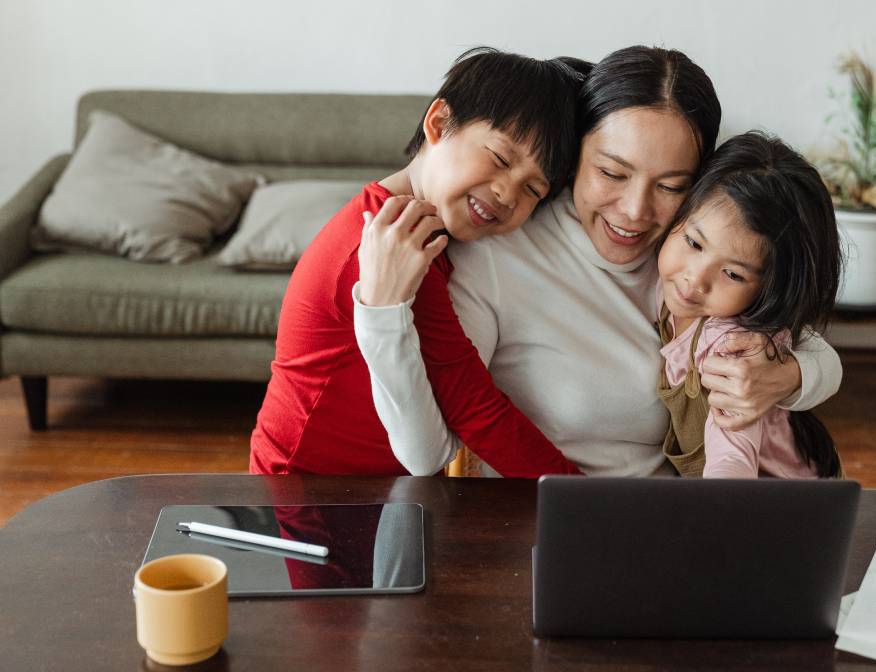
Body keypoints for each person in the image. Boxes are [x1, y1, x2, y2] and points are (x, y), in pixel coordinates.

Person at [354, 46, 844, 477]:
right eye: (611, 173)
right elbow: (429, 451)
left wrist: (788, 376)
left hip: (675, 525)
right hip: (549, 533)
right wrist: (381, 314)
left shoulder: (688, 255)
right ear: (573, 156)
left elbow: (810, 345)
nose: (634, 212)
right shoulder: (497, 255)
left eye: (671, 186)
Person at [249, 47, 585, 475]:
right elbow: (473, 410)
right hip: (304, 495)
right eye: (500, 159)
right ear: (439, 123)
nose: (507, 193)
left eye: (533, 190)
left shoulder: (428, 230)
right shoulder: (391, 244)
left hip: (363, 492)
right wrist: (583, 500)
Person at [654, 131, 842, 479]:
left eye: (733, 274)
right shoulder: (664, 291)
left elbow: (732, 458)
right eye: (694, 243)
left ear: (769, 288)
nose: (695, 279)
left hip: (789, 504)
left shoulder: (731, 344)